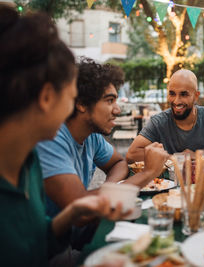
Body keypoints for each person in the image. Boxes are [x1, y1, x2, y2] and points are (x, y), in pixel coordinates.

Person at [0, 5, 127, 266]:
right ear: (47, 97)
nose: (71, 112)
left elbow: (35, 241)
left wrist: (70, 215)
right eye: (70, 99)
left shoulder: (28, 162)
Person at [36, 57, 169, 218]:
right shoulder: (51, 140)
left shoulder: (91, 136)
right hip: (50, 241)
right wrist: (147, 173)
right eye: (109, 100)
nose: (117, 110)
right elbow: (80, 212)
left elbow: (119, 163)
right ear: (82, 104)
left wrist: (108, 189)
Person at [126, 69, 204, 162]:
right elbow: (131, 155)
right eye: (172, 94)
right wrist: (173, 158)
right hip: (169, 184)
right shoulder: (159, 122)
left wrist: (200, 156)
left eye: (183, 94)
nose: (176, 101)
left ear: (196, 96)